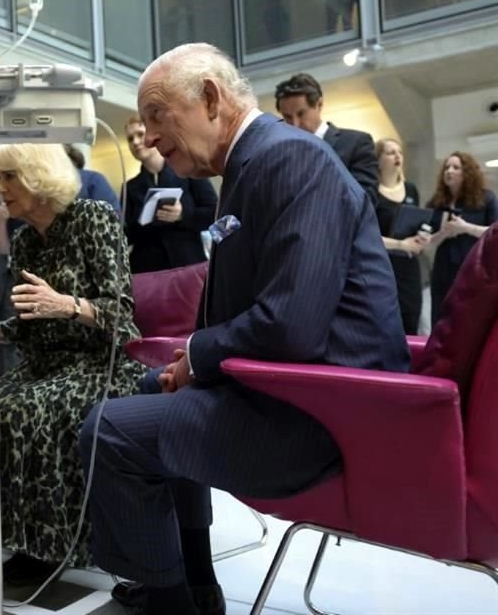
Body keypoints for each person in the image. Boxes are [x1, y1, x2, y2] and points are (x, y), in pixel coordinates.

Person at [80, 43, 409, 615]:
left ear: (210, 98)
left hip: (323, 413)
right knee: (146, 389)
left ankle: (171, 600)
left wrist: (198, 356)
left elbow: (290, 325)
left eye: (158, 116)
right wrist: (191, 363)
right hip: (296, 387)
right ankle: (195, 580)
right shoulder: (254, 164)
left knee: (108, 430)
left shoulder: (288, 159)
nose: (150, 137)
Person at [0, 143, 146, 586]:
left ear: (37, 177)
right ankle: (13, 534)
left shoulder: (94, 218)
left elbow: (122, 315)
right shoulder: (27, 239)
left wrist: (68, 305)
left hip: (98, 363)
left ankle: (52, 546)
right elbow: (31, 321)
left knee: (31, 410)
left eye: (8, 177)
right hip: (45, 363)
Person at [122, 114, 218, 273]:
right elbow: (127, 235)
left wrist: (183, 215)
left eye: (140, 134)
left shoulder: (188, 170)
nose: (136, 142)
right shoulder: (130, 188)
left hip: (188, 265)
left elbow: (214, 212)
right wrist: (146, 220)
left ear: (153, 135)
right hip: (147, 270)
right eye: (130, 139)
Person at [275, 72, 379, 202]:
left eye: (301, 114)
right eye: (287, 117)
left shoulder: (356, 143)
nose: (295, 124)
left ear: (319, 104)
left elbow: (366, 198)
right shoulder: (281, 154)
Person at [426, 151, 498, 323]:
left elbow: (495, 233)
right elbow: (427, 244)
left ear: (467, 172)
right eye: (446, 167)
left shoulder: (486, 198)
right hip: (443, 271)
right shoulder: (436, 203)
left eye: (455, 167)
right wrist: (443, 232)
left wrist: (465, 228)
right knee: (441, 320)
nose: (449, 171)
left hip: (475, 269)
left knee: (471, 322)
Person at [374, 138, 428, 334]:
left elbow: (417, 225)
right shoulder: (371, 193)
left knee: (411, 320)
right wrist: (400, 244)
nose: (397, 156)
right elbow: (367, 236)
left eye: (399, 152)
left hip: (409, 266)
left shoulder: (411, 189)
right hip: (383, 266)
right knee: (388, 323)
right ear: (378, 160)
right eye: (390, 152)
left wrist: (423, 236)